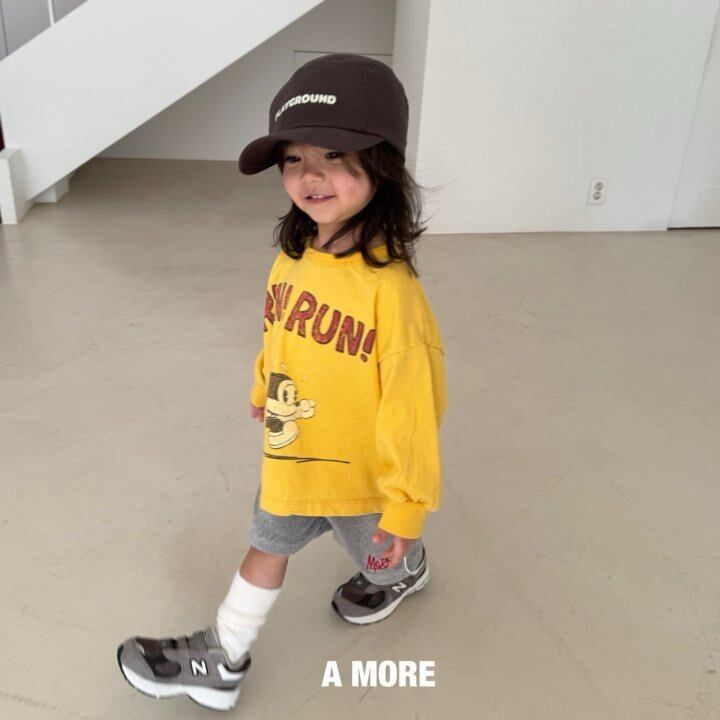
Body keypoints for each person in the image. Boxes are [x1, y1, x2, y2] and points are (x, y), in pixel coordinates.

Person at [116, 53, 447, 712]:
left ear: (381, 163)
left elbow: (414, 409)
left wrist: (407, 507)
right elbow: (279, 332)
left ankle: (403, 572)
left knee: (380, 557)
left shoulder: (392, 295)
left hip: (361, 473)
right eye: (293, 158)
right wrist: (262, 386)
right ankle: (223, 657)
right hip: (294, 452)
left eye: (333, 154)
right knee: (266, 546)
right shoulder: (294, 258)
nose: (309, 175)